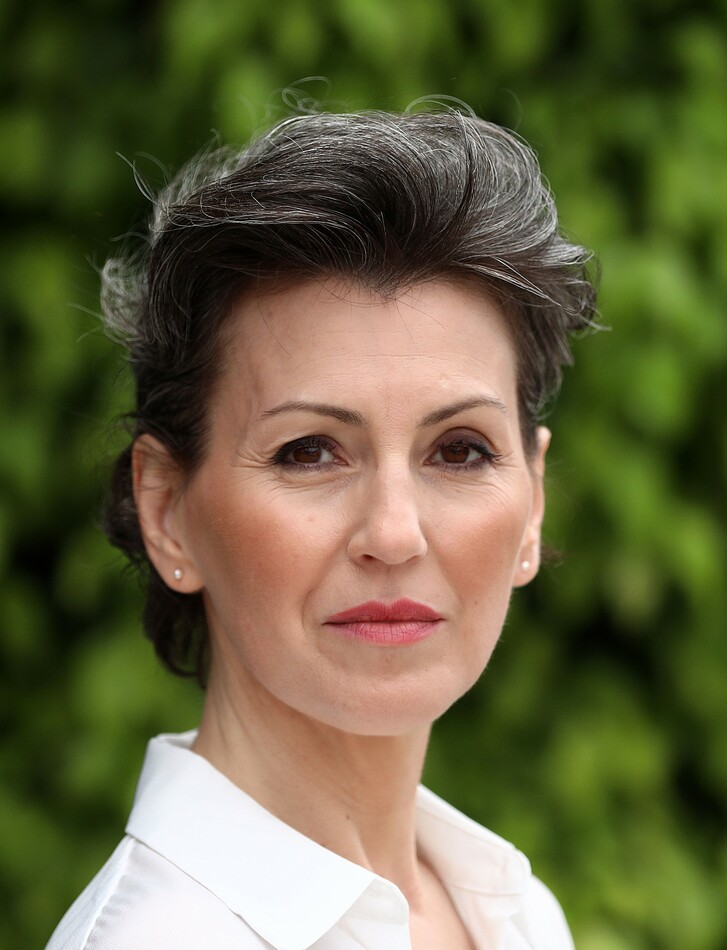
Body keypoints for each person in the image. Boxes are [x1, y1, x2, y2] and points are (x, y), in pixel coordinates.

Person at [47, 106, 596, 949]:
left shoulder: (519, 915)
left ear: (533, 503)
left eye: (459, 450)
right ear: (166, 511)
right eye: (308, 452)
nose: (394, 533)